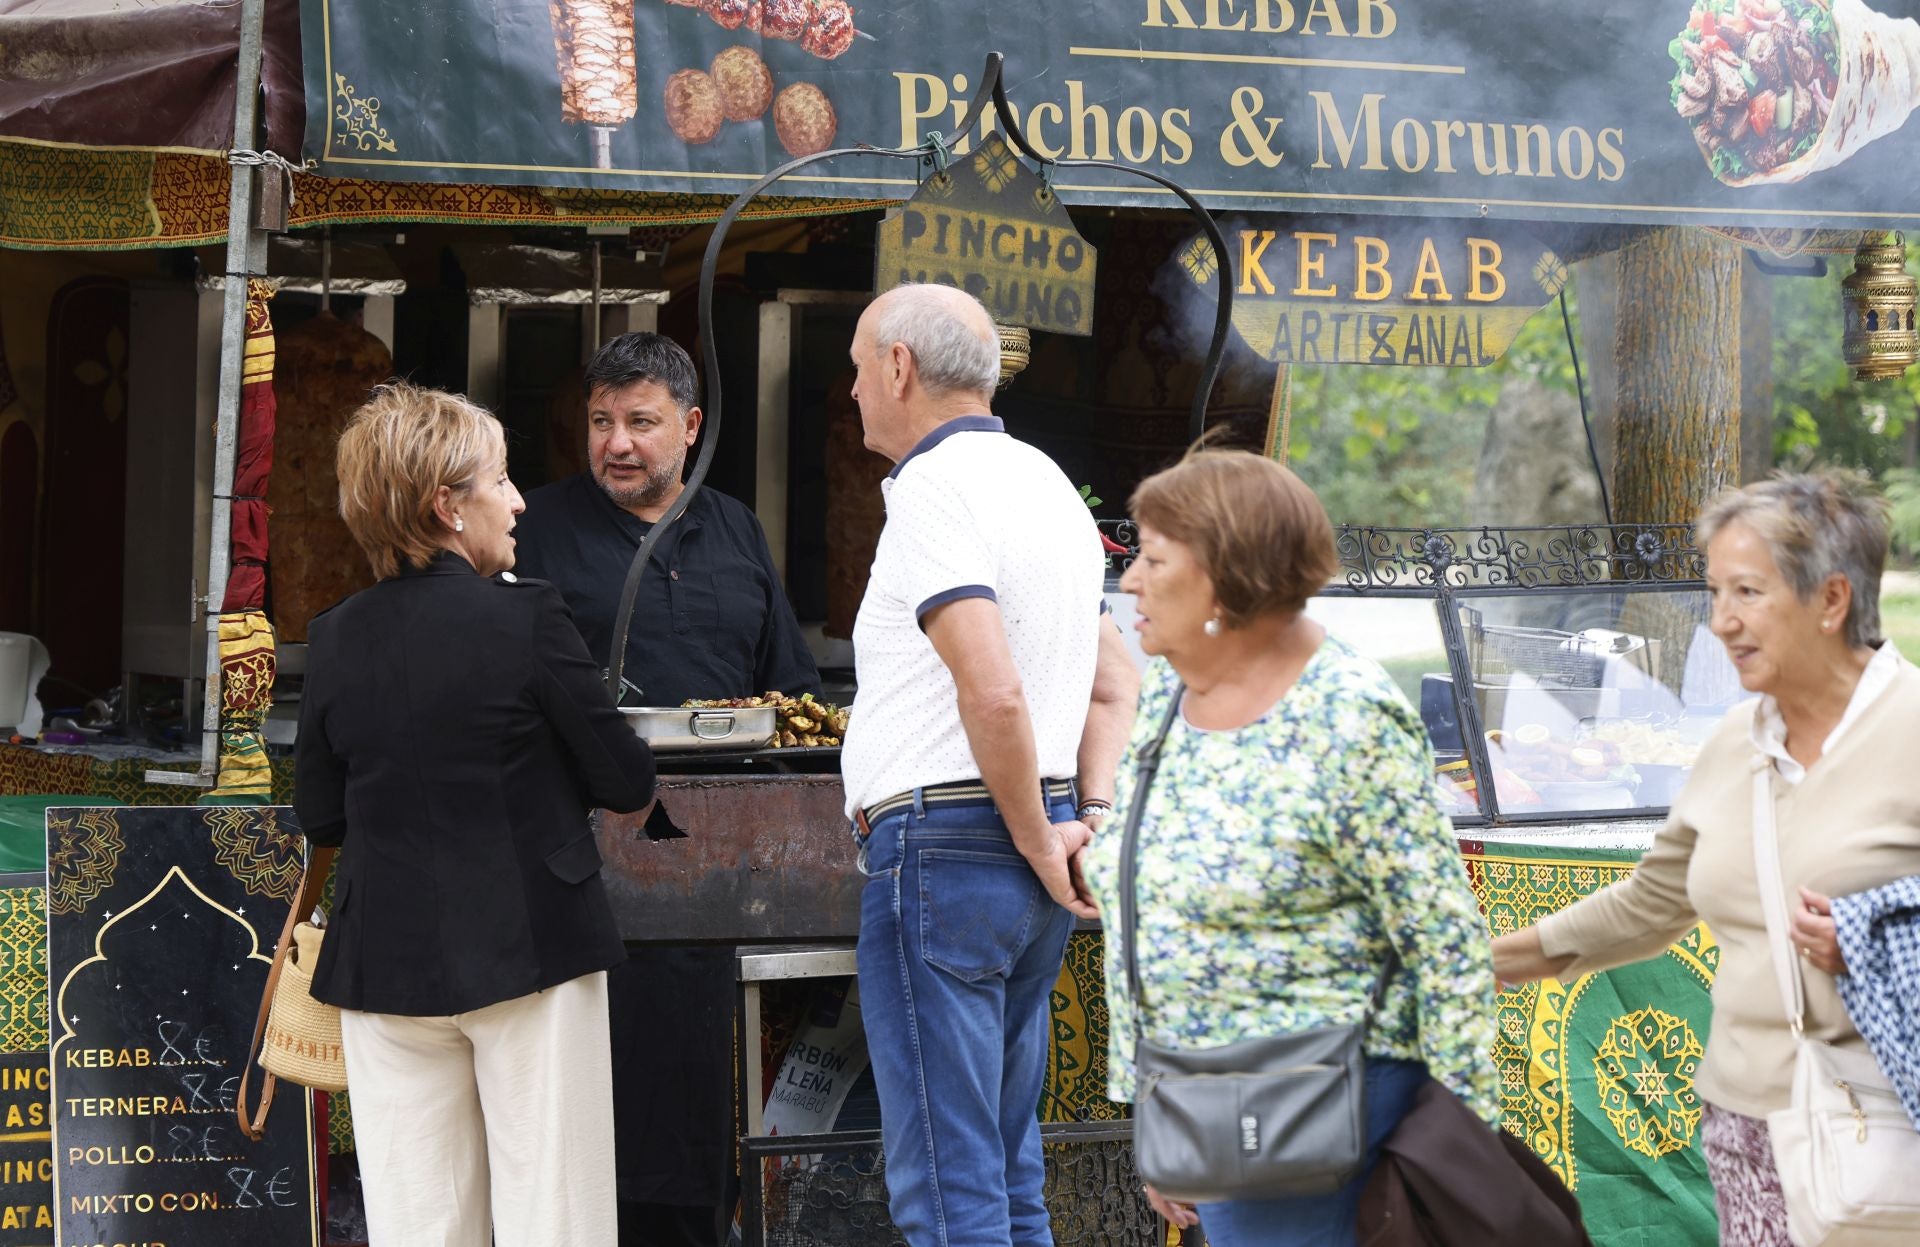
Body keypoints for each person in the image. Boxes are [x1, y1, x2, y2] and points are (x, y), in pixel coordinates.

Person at [1080, 450, 1501, 1247]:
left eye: (1154, 559)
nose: (1130, 580)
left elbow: (1448, 948)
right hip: (1215, 1108)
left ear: (1224, 576)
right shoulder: (1173, 693)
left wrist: (1460, 1160)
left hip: (1330, 1114)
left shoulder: (1349, 716)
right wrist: (1165, 1118)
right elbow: (1145, 904)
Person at [1492, 471, 1920, 1247]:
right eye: (1715, 591)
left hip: (1890, 1132)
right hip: (1745, 1131)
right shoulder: (1732, 742)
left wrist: (1863, 936)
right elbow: (1649, 906)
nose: (1721, 621)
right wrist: (1481, 959)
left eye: (1748, 592)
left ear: (1831, 600)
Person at [294, 382, 656, 1247]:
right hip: (533, 947)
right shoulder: (527, 616)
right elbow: (625, 777)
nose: (520, 499)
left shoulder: (334, 635)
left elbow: (321, 812)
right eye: (501, 480)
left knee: (419, 1227)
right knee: (554, 1221)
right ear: (446, 505)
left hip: (386, 965)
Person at [841, 283, 1139, 1247]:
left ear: (899, 367)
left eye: (855, 369)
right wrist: (1080, 816)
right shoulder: (1048, 481)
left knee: (945, 1180)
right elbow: (1113, 683)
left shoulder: (934, 487)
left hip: (951, 846)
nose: (851, 392)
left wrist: (1033, 831)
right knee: (1007, 1170)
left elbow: (996, 689)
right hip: (1030, 838)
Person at [512, 332, 819, 1246]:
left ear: (689, 426)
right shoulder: (540, 527)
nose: (616, 442)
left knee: (691, 1088)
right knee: (588, 1095)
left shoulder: (732, 527)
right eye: (601, 421)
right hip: (583, 853)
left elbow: (789, 690)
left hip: (723, 863)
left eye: (640, 422)